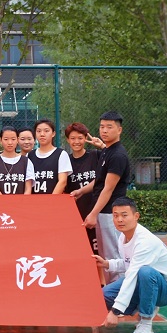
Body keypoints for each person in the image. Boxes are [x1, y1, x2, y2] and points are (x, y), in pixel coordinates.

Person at [94, 198, 167, 333]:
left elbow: (133, 274)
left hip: (166, 291)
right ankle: (143, 304)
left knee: (145, 272)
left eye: (124, 215)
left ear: (136, 216)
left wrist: (116, 311)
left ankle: (145, 322)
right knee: (104, 296)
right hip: (141, 280)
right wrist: (108, 264)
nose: (119, 220)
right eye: (115, 215)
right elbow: (128, 263)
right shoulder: (123, 237)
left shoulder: (145, 241)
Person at [75, 111, 132, 283]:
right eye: (102, 127)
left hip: (110, 212)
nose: (104, 130)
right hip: (103, 211)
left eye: (109, 127)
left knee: (113, 255)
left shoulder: (118, 155)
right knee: (105, 254)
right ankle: (111, 289)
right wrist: (81, 191)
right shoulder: (107, 151)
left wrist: (93, 213)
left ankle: (119, 291)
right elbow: (99, 181)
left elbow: (108, 188)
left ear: (119, 130)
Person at [65, 122, 105, 254]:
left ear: (86, 138)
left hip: (97, 209)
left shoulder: (96, 155)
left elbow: (114, 160)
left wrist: (103, 146)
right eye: (73, 138)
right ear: (67, 140)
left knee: (101, 251)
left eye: (80, 138)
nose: (76, 142)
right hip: (77, 212)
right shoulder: (66, 161)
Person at [29, 119, 72, 195]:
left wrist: (51, 200)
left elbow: (62, 181)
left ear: (53, 134)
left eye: (46, 131)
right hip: (33, 200)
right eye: (38, 131)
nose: (42, 134)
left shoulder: (61, 154)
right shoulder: (30, 155)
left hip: (54, 200)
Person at [0, 126, 34, 195]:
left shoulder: (26, 161)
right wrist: (4, 201)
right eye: (6, 139)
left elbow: (28, 189)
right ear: (0, 140)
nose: (10, 142)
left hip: (21, 201)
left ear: (17, 140)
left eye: (13, 139)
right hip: (0, 201)